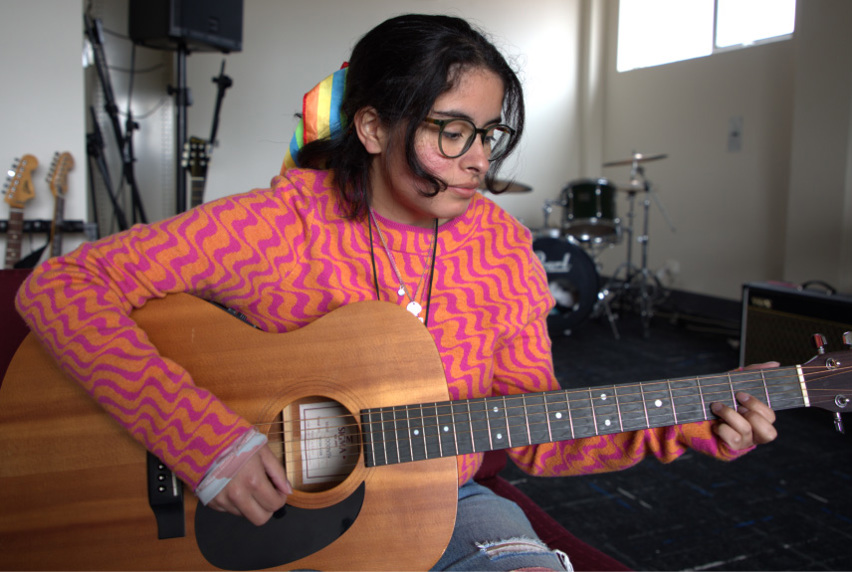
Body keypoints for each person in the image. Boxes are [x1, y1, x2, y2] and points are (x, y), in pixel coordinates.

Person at [16, 13, 777, 571]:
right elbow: (60, 285)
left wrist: (688, 424)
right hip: (261, 516)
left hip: (443, 507)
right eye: (452, 131)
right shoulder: (281, 225)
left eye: (488, 134)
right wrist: (207, 443)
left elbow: (535, 431)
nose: (478, 161)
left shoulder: (504, 251)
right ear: (375, 128)